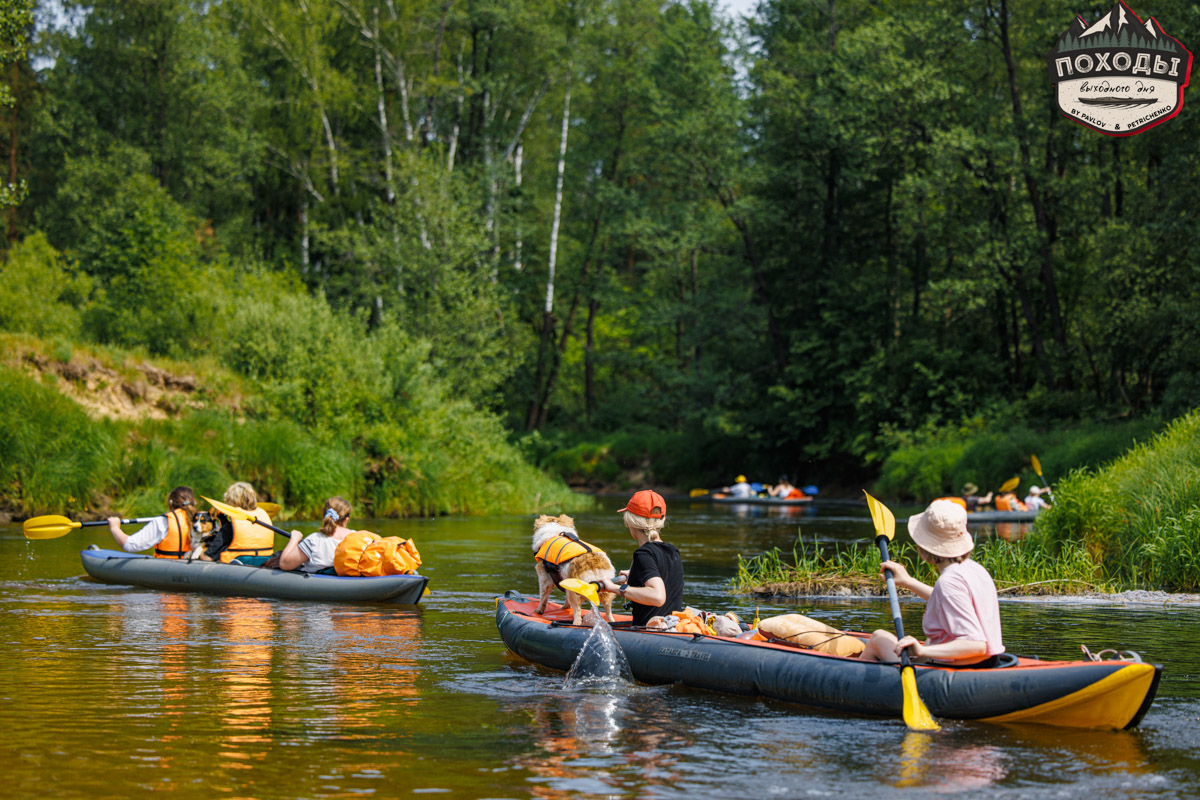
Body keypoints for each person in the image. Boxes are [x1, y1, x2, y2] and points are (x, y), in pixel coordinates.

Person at [859, 499, 1004, 666]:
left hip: (954, 667)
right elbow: (946, 600)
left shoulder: (948, 582)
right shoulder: (974, 569)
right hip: (985, 661)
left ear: (925, 548)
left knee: (878, 638)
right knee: (880, 638)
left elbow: (976, 644)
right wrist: (908, 581)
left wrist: (922, 651)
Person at [597, 490, 684, 627]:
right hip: (673, 627)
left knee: (587, 620)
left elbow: (658, 596)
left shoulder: (643, 554)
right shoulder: (673, 551)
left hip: (650, 631)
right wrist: (635, 576)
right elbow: (664, 578)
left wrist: (614, 588)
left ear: (630, 521)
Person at [106, 486, 197, 559]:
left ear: (170, 504)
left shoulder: (163, 521)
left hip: (169, 567)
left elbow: (129, 545)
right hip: (193, 566)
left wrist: (114, 527)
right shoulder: (201, 520)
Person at [200, 481, 275, 564]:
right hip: (264, 562)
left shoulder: (229, 528)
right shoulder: (262, 519)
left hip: (238, 566)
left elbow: (207, 558)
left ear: (231, 502)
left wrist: (197, 551)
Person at [279, 497, 355, 573]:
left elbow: (284, 564)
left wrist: (294, 539)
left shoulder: (314, 540)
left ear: (324, 516)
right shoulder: (357, 538)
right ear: (346, 520)